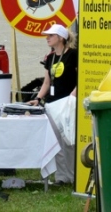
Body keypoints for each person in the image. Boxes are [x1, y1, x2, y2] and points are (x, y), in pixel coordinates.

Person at [29, 24, 77, 185]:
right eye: (47, 35)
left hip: (67, 103)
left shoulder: (73, 55)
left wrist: (73, 95)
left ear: (61, 38)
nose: (47, 38)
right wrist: (38, 98)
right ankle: (62, 177)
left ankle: (73, 175)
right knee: (56, 141)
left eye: (51, 35)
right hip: (51, 104)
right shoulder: (50, 58)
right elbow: (47, 82)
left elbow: (81, 77)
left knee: (68, 141)